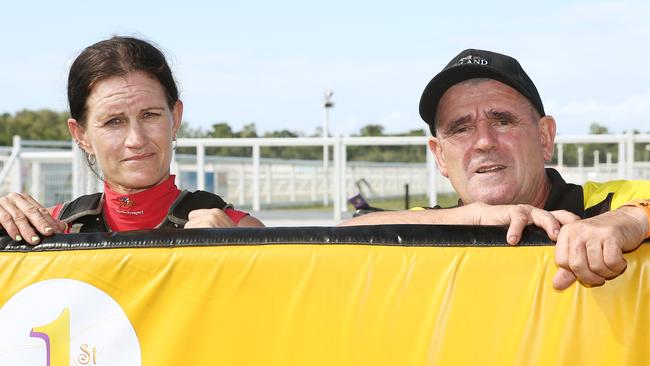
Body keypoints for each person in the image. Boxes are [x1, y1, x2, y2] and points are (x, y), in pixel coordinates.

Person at [340, 49, 650, 290]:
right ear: (441, 158)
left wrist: (629, 221)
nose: (484, 142)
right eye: (461, 129)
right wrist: (472, 218)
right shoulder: (429, 226)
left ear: (544, 137)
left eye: (502, 121)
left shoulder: (608, 205)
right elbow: (333, 238)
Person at [0, 36, 264, 243]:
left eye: (150, 115)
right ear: (81, 135)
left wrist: (239, 255)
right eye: (114, 121)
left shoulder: (241, 231)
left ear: (176, 117)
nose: (136, 140)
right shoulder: (49, 229)